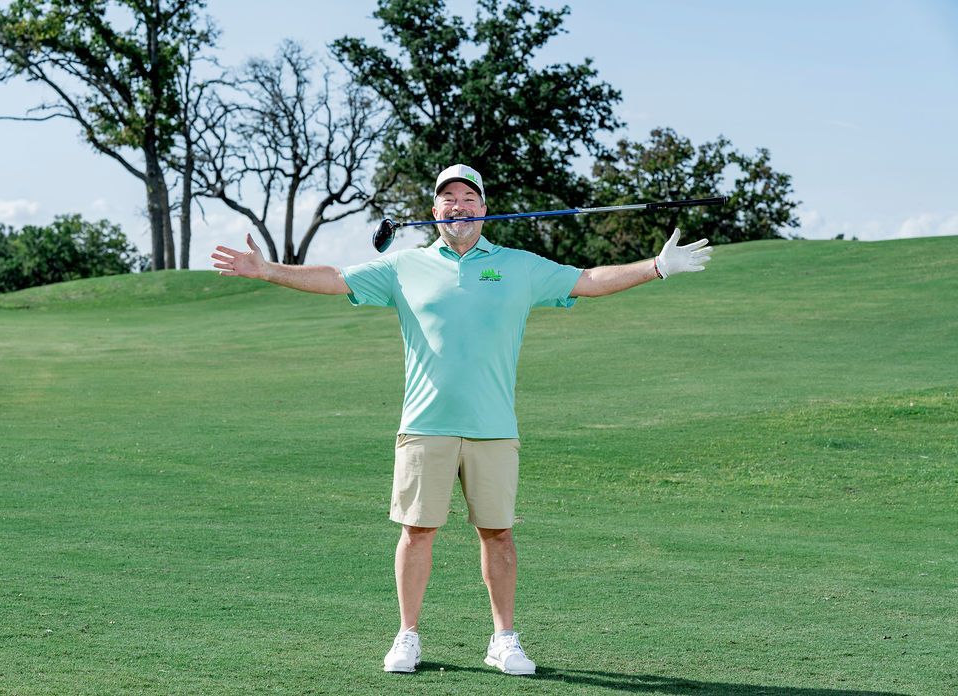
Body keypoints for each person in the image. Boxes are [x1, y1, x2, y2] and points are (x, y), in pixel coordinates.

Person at [211, 164, 712, 676]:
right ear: (435, 211)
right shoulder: (405, 266)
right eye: (448, 198)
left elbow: (587, 280)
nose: (458, 205)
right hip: (424, 425)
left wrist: (656, 266)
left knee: (498, 534)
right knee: (416, 531)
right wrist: (268, 270)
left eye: (468, 197)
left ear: (484, 209)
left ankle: (504, 639)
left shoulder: (519, 265)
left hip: (493, 427)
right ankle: (407, 635)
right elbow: (336, 279)